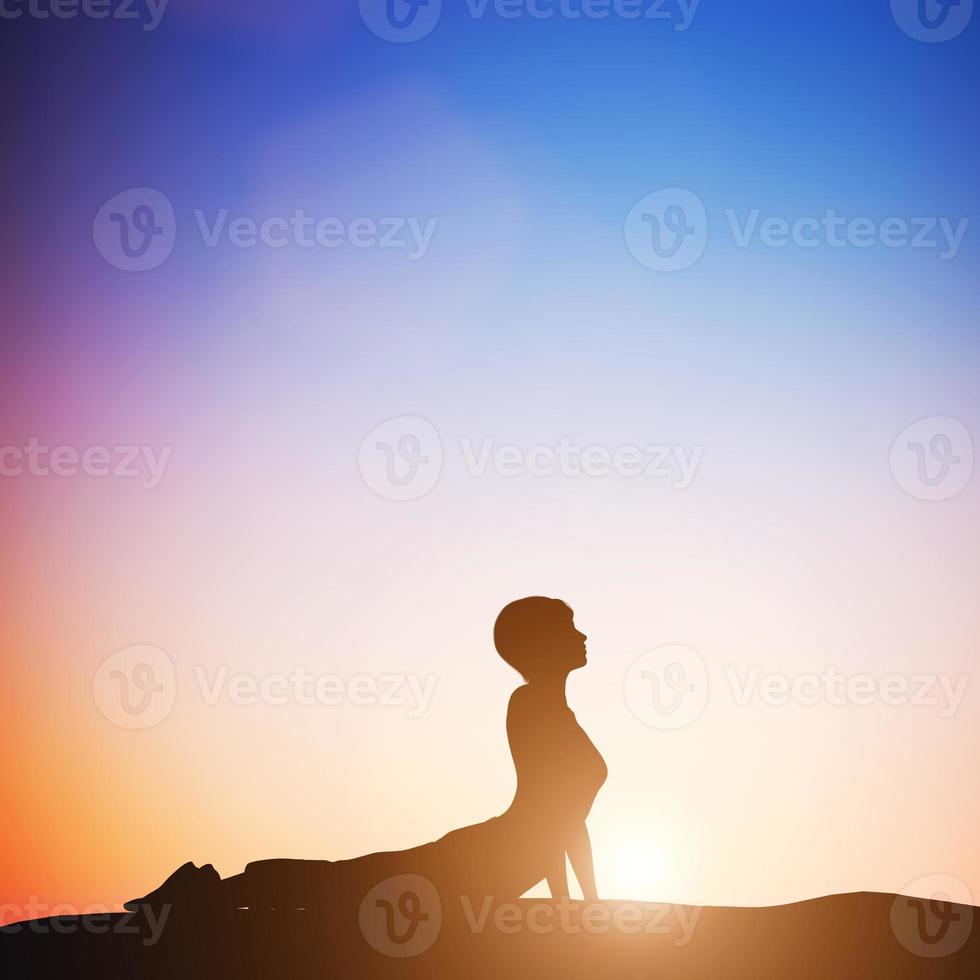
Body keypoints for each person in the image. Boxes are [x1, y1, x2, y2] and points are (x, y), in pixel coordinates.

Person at [126, 597, 607, 913]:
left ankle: (211, 890)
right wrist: (571, 910)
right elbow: (551, 819)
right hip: (490, 859)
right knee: (351, 886)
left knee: (354, 885)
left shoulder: (557, 712)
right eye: (569, 628)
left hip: (504, 864)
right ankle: (207, 890)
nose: (583, 635)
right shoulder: (530, 706)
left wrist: (585, 905)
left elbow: (568, 820)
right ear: (541, 644)